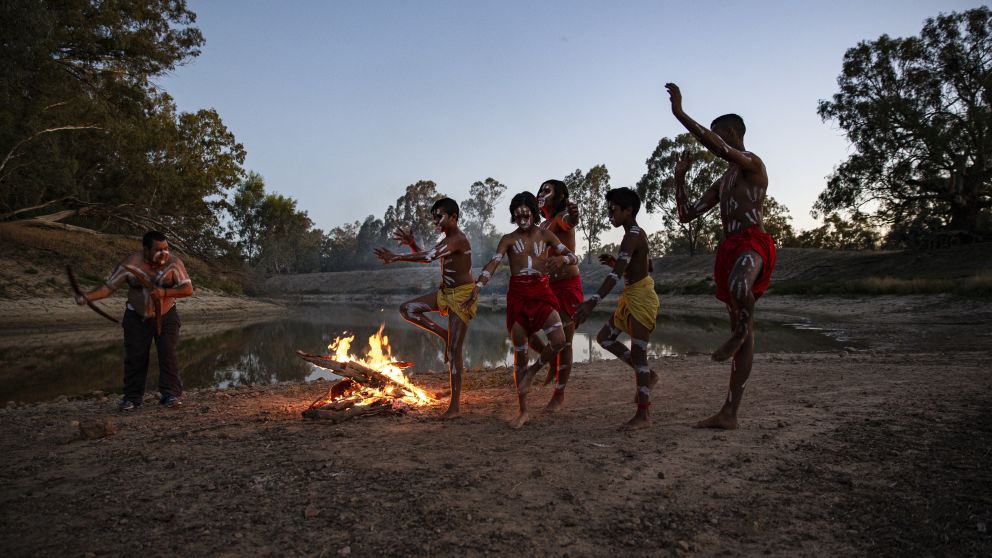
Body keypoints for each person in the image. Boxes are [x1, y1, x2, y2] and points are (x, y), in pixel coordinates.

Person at [665, 82, 777, 430]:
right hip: (729, 247)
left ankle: (740, 331)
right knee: (739, 315)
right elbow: (686, 215)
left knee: (740, 283)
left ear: (731, 133)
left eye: (719, 138)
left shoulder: (751, 164)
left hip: (752, 242)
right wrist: (679, 179)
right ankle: (729, 413)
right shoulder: (724, 180)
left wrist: (680, 113)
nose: (716, 146)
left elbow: (714, 146)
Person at [464, 192, 578, 428]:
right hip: (518, 297)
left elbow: (573, 256)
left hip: (542, 293)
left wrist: (562, 261)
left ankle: (533, 372)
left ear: (533, 214)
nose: (521, 215)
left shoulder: (545, 234)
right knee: (520, 354)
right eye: (517, 212)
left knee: (559, 341)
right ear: (513, 216)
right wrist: (478, 286)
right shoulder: (507, 239)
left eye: (526, 211)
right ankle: (523, 411)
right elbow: (494, 263)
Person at [374, 198, 474, 420]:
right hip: (445, 294)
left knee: (454, 351)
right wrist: (411, 245)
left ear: (454, 217)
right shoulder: (447, 239)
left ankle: (455, 407)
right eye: (434, 217)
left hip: (462, 297)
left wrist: (396, 256)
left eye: (440, 216)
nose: (436, 221)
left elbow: (429, 256)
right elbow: (428, 257)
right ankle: (444, 334)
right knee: (407, 309)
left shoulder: (457, 239)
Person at [75, 231, 193, 410]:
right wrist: (88, 297)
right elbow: (109, 287)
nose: (164, 253)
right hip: (136, 317)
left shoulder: (174, 263)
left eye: (166, 248)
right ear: (145, 249)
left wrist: (165, 293)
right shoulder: (130, 264)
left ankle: (171, 395)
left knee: (168, 353)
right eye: (158, 249)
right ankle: (132, 398)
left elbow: (187, 289)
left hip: (166, 315)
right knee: (135, 356)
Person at [573, 188, 660, 430]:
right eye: (608, 209)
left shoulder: (632, 234)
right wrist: (622, 263)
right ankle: (649, 376)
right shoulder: (634, 234)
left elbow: (615, 275)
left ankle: (644, 415)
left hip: (641, 299)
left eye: (613, 209)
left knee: (640, 357)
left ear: (628, 210)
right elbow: (648, 265)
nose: (610, 214)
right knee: (604, 338)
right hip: (631, 297)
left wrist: (592, 302)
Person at [535, 179, 581, 411]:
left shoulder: (562, 217)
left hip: (566, 287)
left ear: (561, 197)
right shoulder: (543, 223)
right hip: (546, 287)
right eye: (540, 189)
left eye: (547, 190)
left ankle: (559, 395)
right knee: (529, 327)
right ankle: (553, 364)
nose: (541, 193)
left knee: (565, 342)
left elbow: (569, 222)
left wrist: (574, 215)